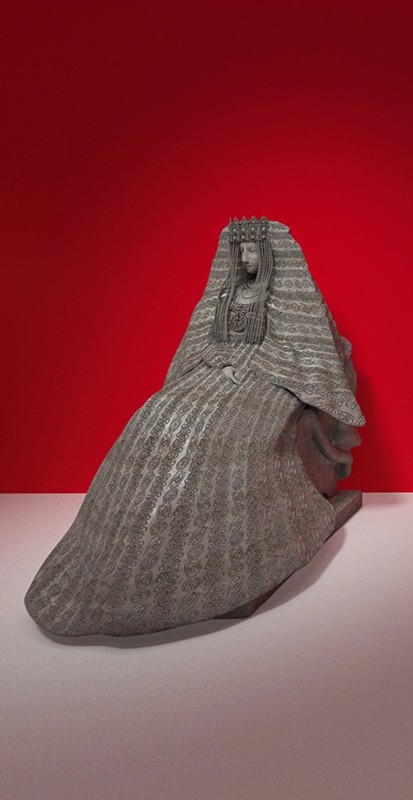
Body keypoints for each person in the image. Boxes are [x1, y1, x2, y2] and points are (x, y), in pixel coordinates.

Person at [26, 219, 364, 636]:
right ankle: (125, 555)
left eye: (253, 251)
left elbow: (301, 352)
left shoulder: (288, 297)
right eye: (240, 251)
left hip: (272, 381)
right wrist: (222, 362)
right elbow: (205, 342)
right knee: (159, 412)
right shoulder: (226, 292)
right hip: (216, 372)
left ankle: (223, 557)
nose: (246, 258)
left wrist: (247, 366)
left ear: (271, 254)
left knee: (222, 432)